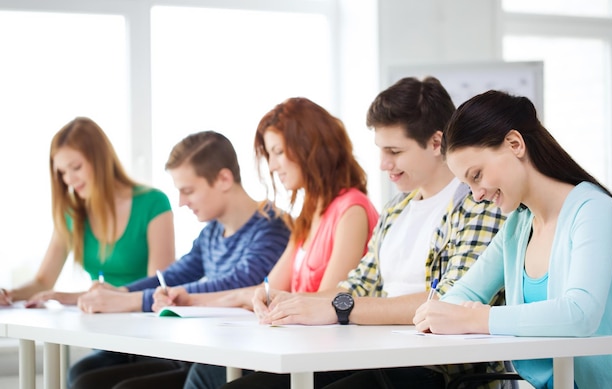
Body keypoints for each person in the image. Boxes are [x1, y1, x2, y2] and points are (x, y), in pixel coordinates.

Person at [216, 77, 508, 389]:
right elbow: (357, 286)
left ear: (437, 143)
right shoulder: (396, 210)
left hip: (436, 370)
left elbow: (451, 302)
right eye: (381, 151)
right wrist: (295, 303)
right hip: (377, 357)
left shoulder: (480, 202)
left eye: (394, 151)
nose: (384, 164)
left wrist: (341, 308)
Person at [158, 97, 379, 389]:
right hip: (298, 347)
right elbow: (266, 289)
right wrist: (191, 300)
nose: (273, 166)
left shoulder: (352, 209)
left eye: (278, 152)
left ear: (309, 148)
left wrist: (273, 298)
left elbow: (331, 299)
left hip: (325, 357)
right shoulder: (308, 216)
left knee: (208, 375)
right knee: (206, 372)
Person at [413, 90, 612, 389]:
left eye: (477, 175)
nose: (477, 194)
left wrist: (477, 318)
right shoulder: (518, 226)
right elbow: (459, 296)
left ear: (515, 144)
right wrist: (442, 313)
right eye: (467, 184)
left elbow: (580, 314)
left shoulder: (594, 210)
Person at [69, 130, 292, 389]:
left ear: (223, 179)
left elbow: (239, 282)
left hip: (246, 360)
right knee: (87, 378)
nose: (181, 202)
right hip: (210, 353)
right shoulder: (211, 233)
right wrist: (121, 291)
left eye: (188, 191)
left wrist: (132, 300)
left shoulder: (272, 225)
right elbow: (174, 275)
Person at [0, 117, 175, 307]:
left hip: (143, 322)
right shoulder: (72, 213)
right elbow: (43, 281)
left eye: (76, 167)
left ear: (100, 159)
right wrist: (9, 293)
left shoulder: (153, 203)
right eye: (62, 172)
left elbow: (158, 288)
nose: (69, 179)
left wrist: (70, 297)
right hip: (95, 319)